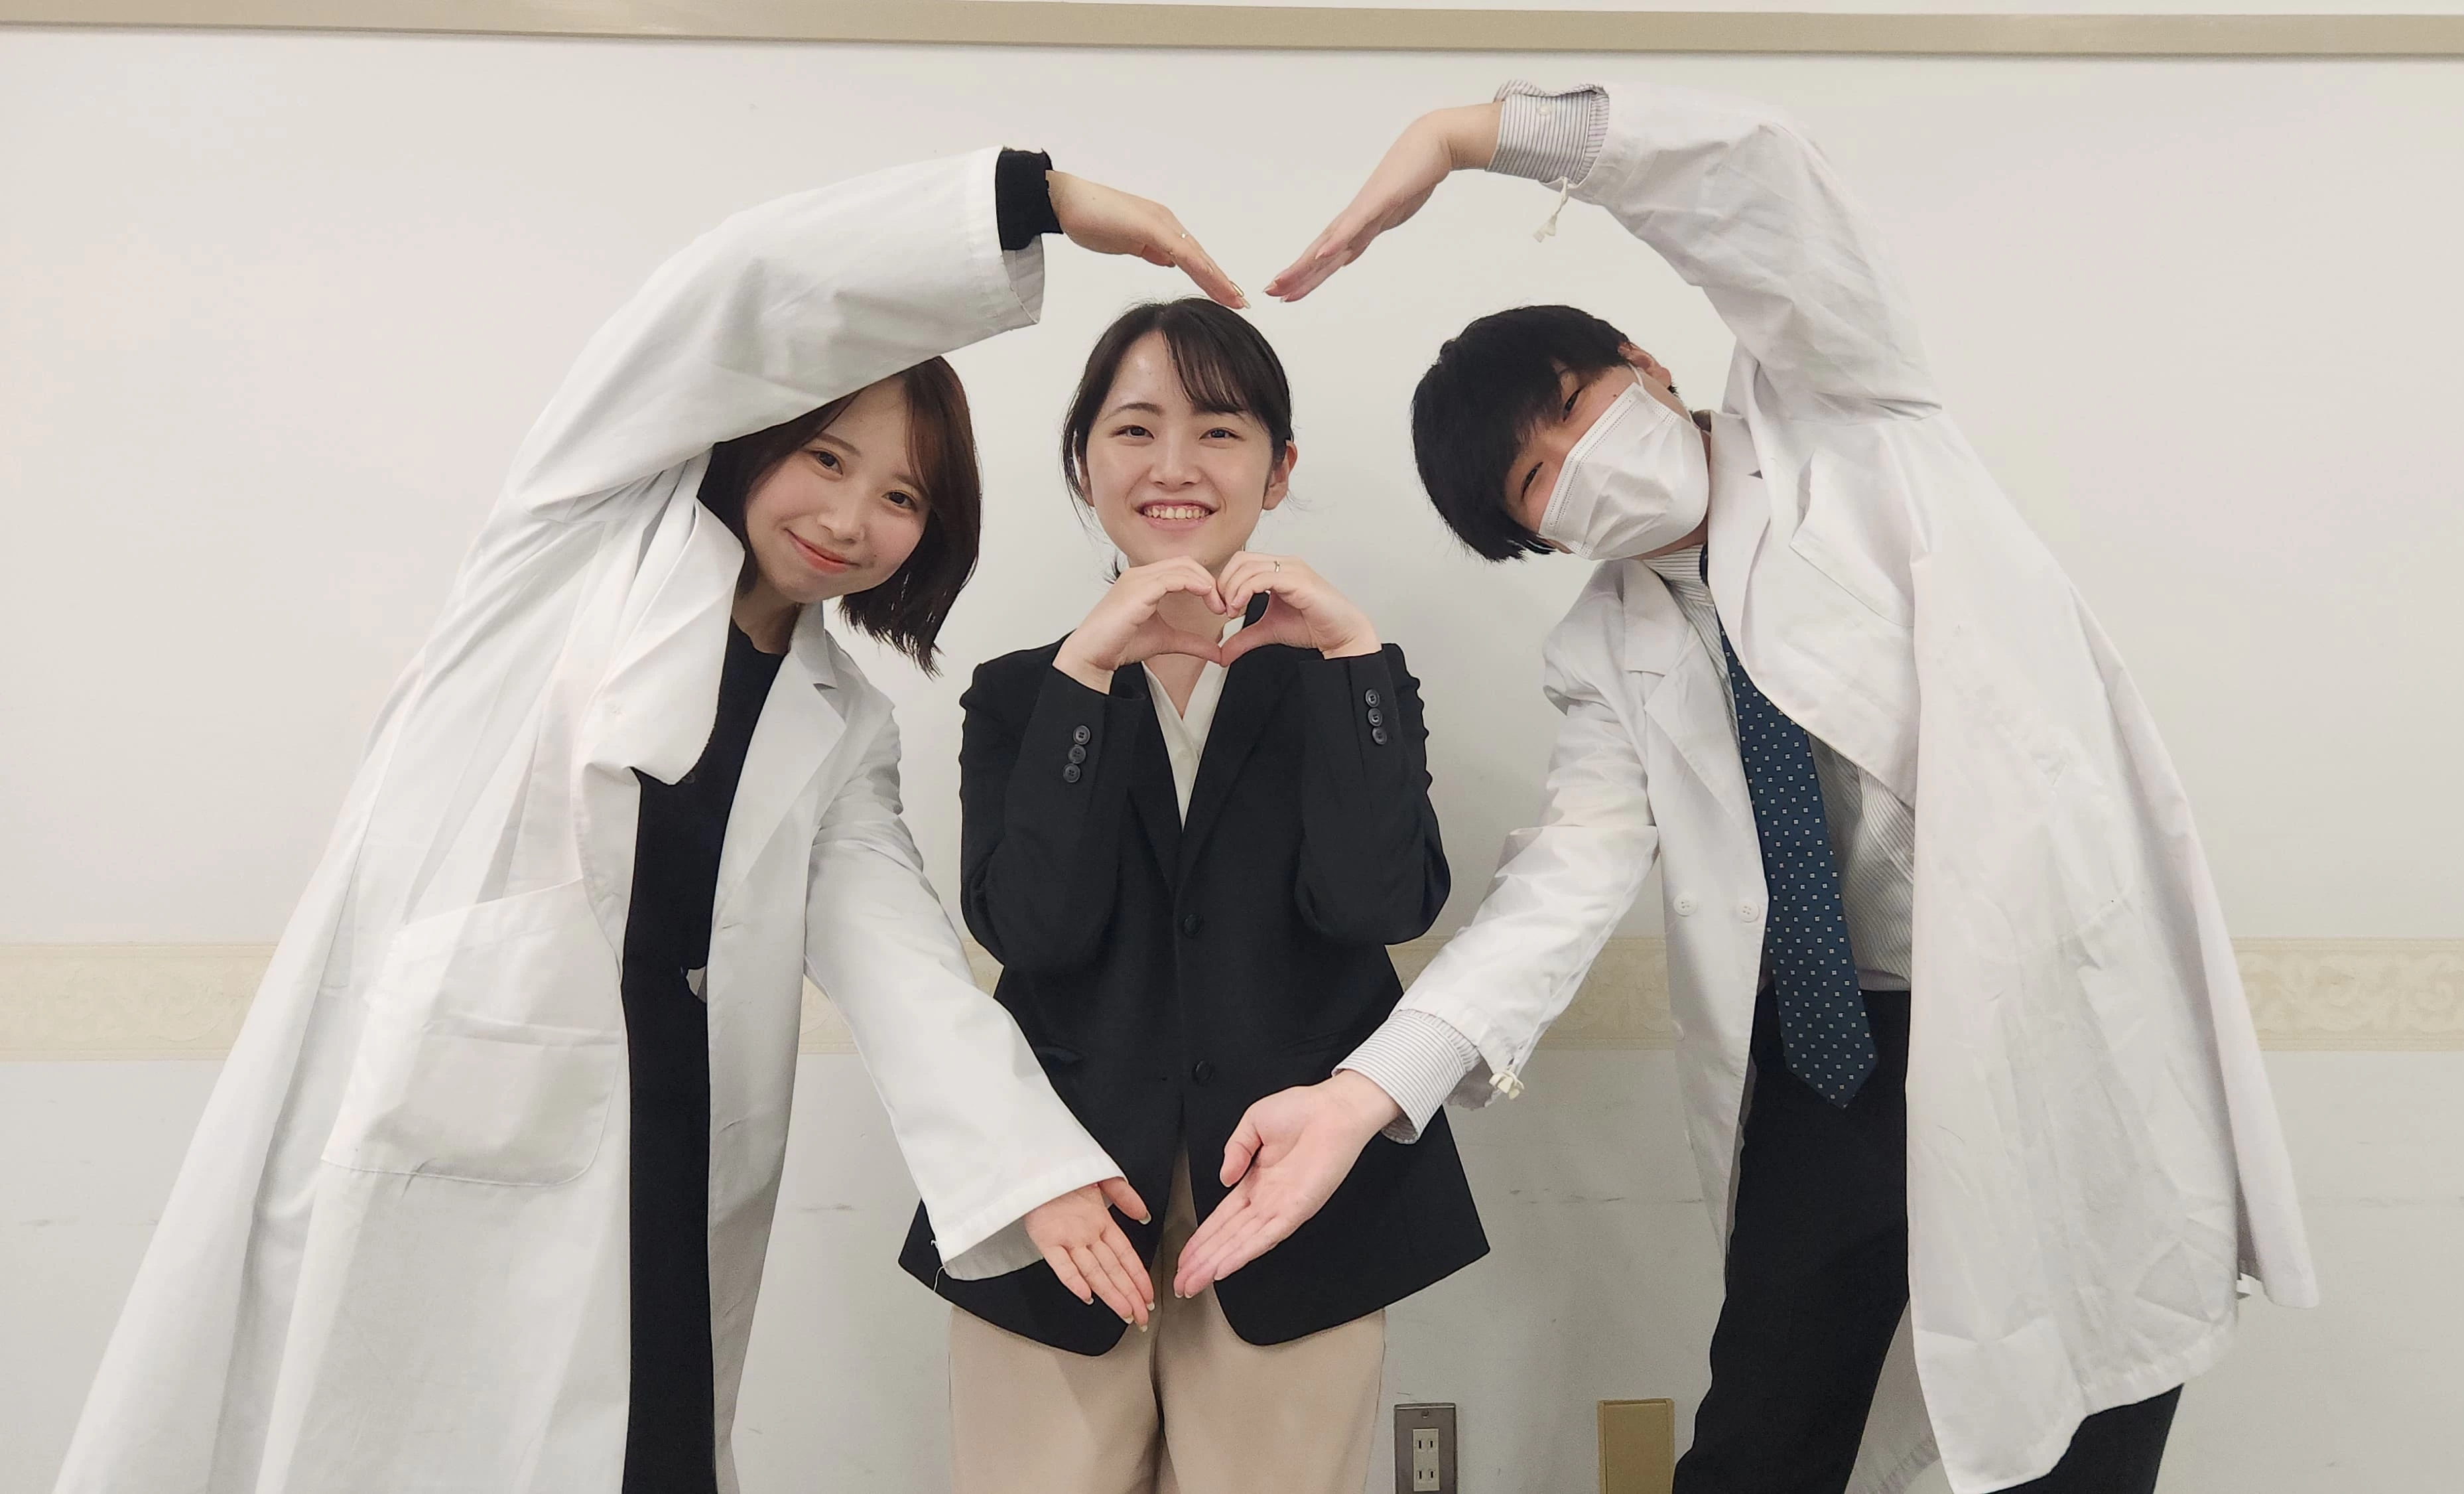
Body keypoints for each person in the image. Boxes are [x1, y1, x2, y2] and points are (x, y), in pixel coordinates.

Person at [1172, 84, 2321, 1494]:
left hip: (2041, 1015)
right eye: (1535, 483)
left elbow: (1769, 189)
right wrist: (1364, 1095)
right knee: (1763, 1431)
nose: (1577, 472)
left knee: (2080, 1414)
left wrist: (1479, 135)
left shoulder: (1850, 421)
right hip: (1827, 1057)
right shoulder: (1604, 653)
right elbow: (1559, 890)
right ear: (1535, 539)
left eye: (1573, 414)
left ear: (1646, 364)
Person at [55, 147, 1242, 1494]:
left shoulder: (839, 719)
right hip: (452, 1113)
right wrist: (1035, 199)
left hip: (670, 1145)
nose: (850, 518)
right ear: (752, 433)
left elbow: (899, 964)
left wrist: (1025, 1164)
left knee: (647, 1447)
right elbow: (722, 296)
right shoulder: (573, 550)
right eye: (825, 457)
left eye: (903, 496)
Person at [899, 299, 1486, 1494]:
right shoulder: (1023, 692)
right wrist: (1085, 673)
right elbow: (1031, 928)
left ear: (1280, 468)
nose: (1174, 465)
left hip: (1293, 1199)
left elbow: (1381, 904)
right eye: (1133, 429)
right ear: (1083, 463)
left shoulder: (1350, 677)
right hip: (1059, 1192)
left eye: (1219, 430)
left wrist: (1353, 658)